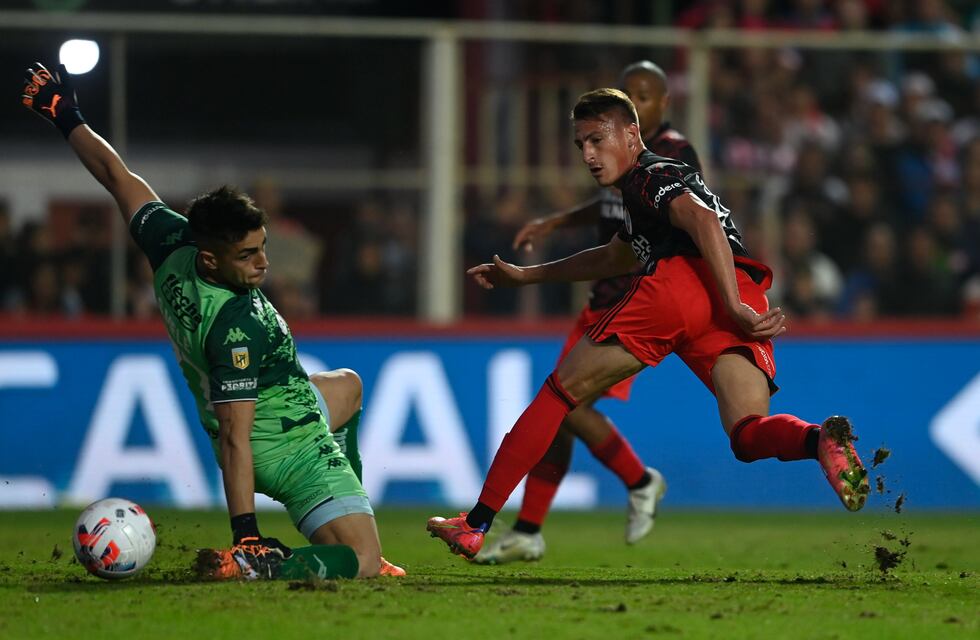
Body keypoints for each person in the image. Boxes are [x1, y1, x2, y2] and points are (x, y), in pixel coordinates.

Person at [428, 88, 870, 560]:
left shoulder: (651, 174)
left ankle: (474, 524)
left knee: (560, 396)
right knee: (747, 433)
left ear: (633, 132)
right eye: (582, 146)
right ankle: (818, 439)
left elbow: (702, 223)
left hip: (690, 287)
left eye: (598, 140)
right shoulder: (645, 199)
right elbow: (616, 255)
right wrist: (529, 276)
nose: (590, 156)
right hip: (738, 289)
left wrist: (730, 303)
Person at [21, 62, 403, 579]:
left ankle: (343, 505)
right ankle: (261, 563)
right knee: (359, 565)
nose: (263, 263)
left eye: (262, 247)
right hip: (285, 443)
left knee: (347, 387)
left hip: (283, 403)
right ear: (211, 261)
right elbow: (234, 437)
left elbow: (117, 176)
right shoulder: (234, 326)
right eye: (247, 256)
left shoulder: (172, 241)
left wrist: (65, 116)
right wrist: (246, 531)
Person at [476, 61, 699, 565]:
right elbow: (610, 208)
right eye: (630, 92)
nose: (637, 101)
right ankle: (529, 529)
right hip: (603, 291)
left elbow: (685, 217)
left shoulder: (674, 154)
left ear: (662, 105)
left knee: (566, 404)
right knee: (558, 411)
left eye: (646, 95)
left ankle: (640, 480)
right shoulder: (614, 155)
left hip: (635, 296)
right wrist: (559, 220)